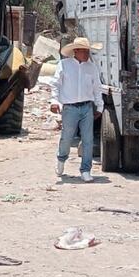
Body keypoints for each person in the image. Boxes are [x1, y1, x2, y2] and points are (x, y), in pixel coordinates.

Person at [49, 36, 104, 182]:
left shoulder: (91, 67)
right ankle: (61, 159)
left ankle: (85, 170)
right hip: (70, 108)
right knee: (67, 138)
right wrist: (54, 101)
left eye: (88, 51)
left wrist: (99, 106)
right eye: (85, 51)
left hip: (87, 107)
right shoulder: (64, 65)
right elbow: (55, 84)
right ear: (76, 51)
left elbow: (97, 87)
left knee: (88, 140)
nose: (87, 54)